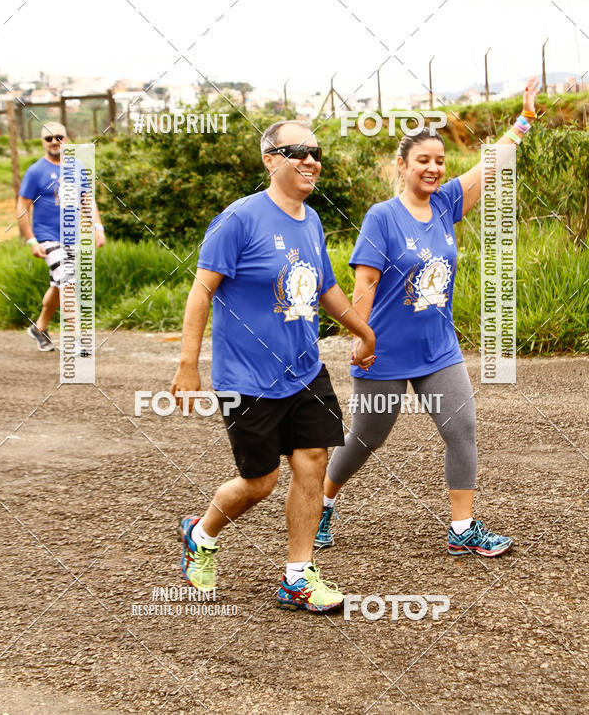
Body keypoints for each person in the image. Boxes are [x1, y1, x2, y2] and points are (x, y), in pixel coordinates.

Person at [315, 78, 541, 557]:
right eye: (424, 160)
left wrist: (522, 121)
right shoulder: (382, 217)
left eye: (440, 160)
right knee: (365, 438)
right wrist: (361, 337)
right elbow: (365, 285)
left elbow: (491, 164)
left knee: (462, 428)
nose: (434, 168)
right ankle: (321, 503)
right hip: (385, 352)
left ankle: (462, 529)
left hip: (438, 350)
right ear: (402, 166)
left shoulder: (445, 204)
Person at [171, 120, 375, 613]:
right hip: (247, 378)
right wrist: (187, 365)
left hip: (304, 369)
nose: (310, 160)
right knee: (259, 482)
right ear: (270, 160)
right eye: (296, 151)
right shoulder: (239, 220)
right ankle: (201, 533)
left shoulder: (311, 220)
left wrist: (362, 330)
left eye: (315, 152)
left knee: (313, 460)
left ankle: (298, 577)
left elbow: (324, 287)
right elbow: (202, 290)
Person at [17, 121, 106, 352]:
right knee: (68, 281)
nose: (55, 142)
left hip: (72, 237)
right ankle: (78, 339)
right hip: (47, 237)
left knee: (58, 285)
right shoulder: (35, 171)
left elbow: (87, 198)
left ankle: (39, 327)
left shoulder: (77, 167)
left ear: (67, 139)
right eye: (49, 138)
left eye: (59, 137)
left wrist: (98, 226)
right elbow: (22, 207)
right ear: (42, 142)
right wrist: (31, 240)